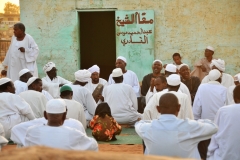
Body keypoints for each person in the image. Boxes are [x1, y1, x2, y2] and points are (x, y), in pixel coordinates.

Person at [135, 93, 218, 158]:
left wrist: (154, 122)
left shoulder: (147, 128)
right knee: (201, 137)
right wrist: (196, 121)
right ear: (178, 108)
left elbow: (139, 124)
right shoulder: (189, 126)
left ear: (158, 109)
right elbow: (213, 127)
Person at [25, 99, 98, 151]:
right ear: (65, 116)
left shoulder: (32, 131)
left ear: (45, 115)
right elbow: (93, 145)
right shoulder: (73, 133)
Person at [193, 69, 227, 160]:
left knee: (204, 150)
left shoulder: (202, 87)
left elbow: (197, 105)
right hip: (220, 125)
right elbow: (225, 107)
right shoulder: (224, 89)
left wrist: (196, 120)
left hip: (205, 124)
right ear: (219, 79)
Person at [207, 85, 240, 160]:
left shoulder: (223, 111)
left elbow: (215, 134)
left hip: (224, 156)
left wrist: (210, 154)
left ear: (234, 98)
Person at [11, 116, 86, 147]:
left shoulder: (34, 128)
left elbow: (16, 129)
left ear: (45, 114)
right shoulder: (76, 124)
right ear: (65, 114)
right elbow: (88, 145)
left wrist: (30, 145)